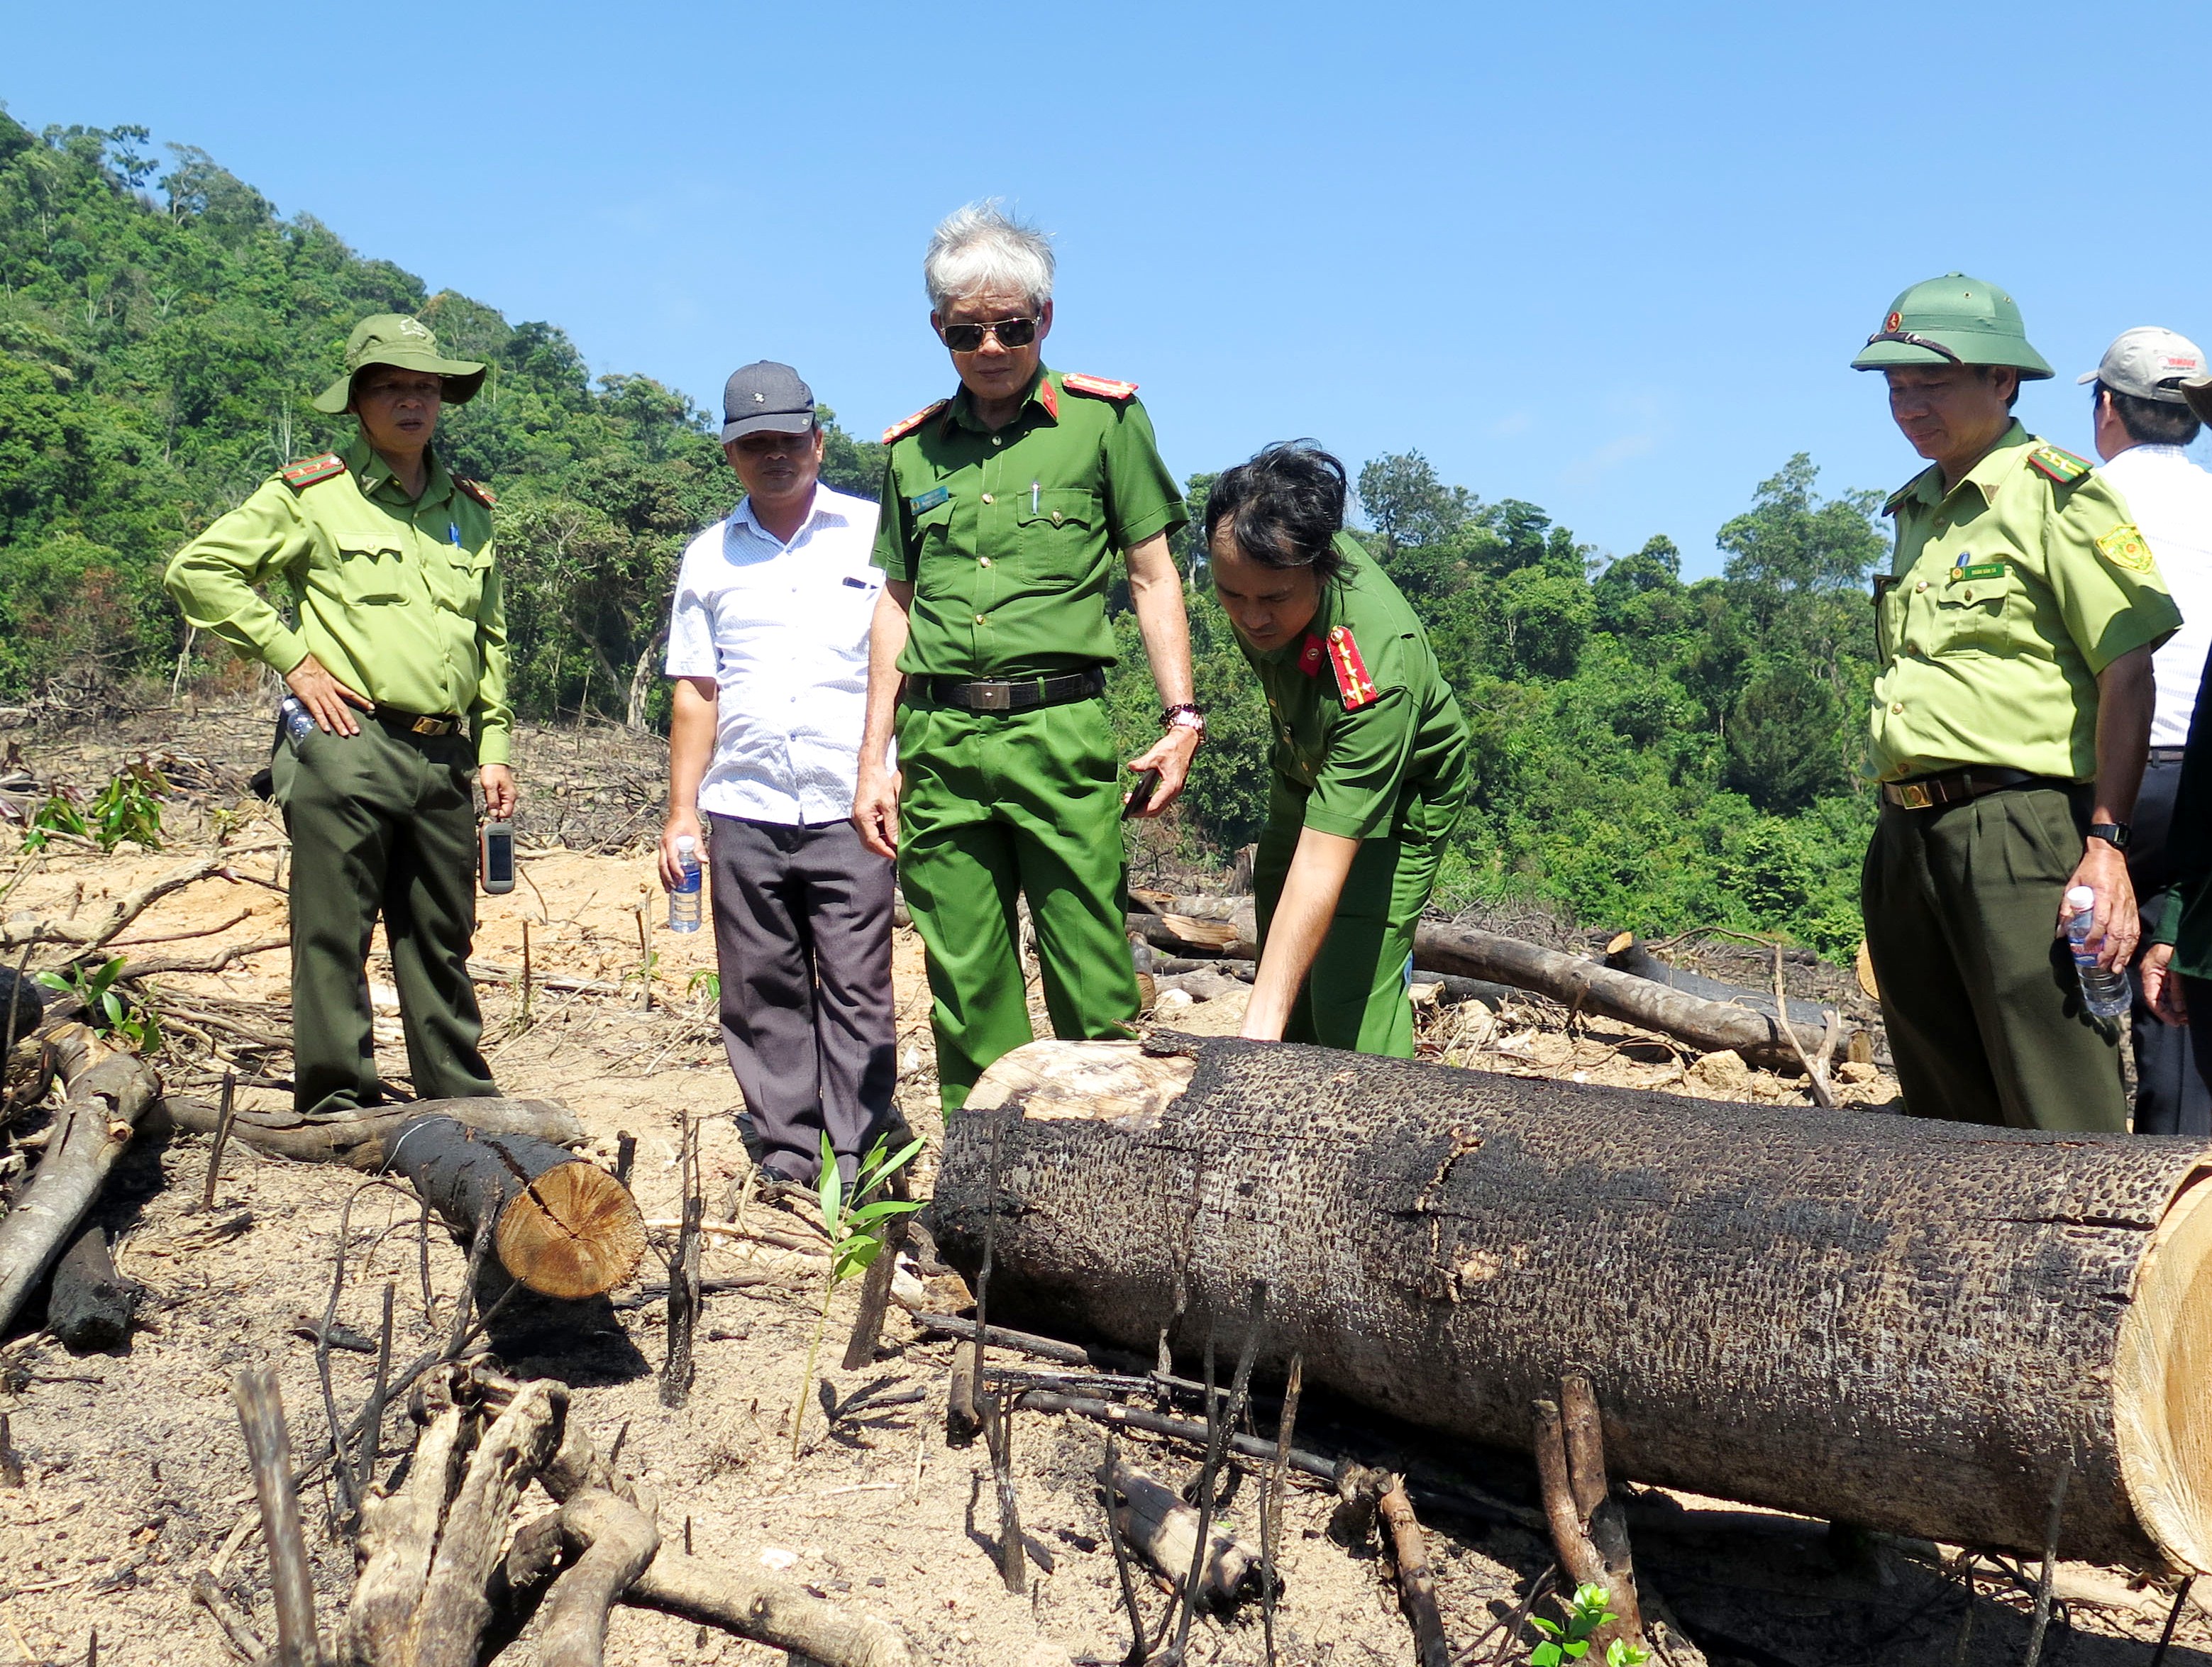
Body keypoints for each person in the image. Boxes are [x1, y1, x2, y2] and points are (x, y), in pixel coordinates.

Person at [853, 201, 1202, 1112]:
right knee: (967, 981)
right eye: (968, 331)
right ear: (940, 331)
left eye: (1011, 326)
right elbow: (896, 601)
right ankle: (989, 1184)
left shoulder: (1103, 424)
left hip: (1059, 730)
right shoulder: (910, 452)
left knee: (1089, 967)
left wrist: (1182, 718)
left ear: (1043, 319)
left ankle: (1112, 1173)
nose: (992, 347)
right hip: (939, 744)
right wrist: (872, 760)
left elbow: (1153, 573)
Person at [1850, 274, 2179, 1131]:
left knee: (2057, 1104)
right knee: (1946, 1111)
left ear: (2002, 382)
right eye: (1894, 386)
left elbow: (2127, 670)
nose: (1907, 403)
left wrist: (2104, 843)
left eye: (1930, 382)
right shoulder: (1918, 508)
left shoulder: (2054, 491)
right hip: (1907, 832)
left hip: (2016, 829)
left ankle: (2098, 1263)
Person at [165, 314, 514, 1119]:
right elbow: (200, 570)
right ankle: (337, 1105)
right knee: (333, 936)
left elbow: (490, 637)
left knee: (441, 935)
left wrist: (494, 745)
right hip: (347, 742)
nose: (412, 402)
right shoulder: (312, 497)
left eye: (425, 387)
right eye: (391, 387)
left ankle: (458, 1099)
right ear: (357, 402)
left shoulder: (469, 510)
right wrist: (294, 658)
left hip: (444, 754)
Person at [660, 362, 896, 1187]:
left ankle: (863, 1148)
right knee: (761, 986)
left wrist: (890, 770)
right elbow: (697, 688)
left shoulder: (874, 534)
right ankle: (790, 1149)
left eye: (788, 439)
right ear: (731, 455)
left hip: (852, 802)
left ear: (818, 440)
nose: (774, 455)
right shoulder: (709, 556)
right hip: (745, 802)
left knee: (857, 981)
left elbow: (904, 665)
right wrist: (682, 812)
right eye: (755, 443)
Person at [1204, 445, 1469, 1055]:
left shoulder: (1375, 671)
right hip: (1303, 761)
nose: (1251, 617)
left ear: (1323, 570)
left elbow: (1324, 858)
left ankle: (1387, 1139)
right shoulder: (1259, 555)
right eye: (1231, 595)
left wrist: (1254, 1034)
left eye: (1272, 599)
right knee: (1283, 946)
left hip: (1401, 792)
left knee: (1348, 990)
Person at [2076, 328, 2212, 1135]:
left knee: (2076, 991)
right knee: (2180, 995)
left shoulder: (2081, 501)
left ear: (2105, 409)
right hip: (2202, 782)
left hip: (2107, 783)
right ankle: (2180, 1191)